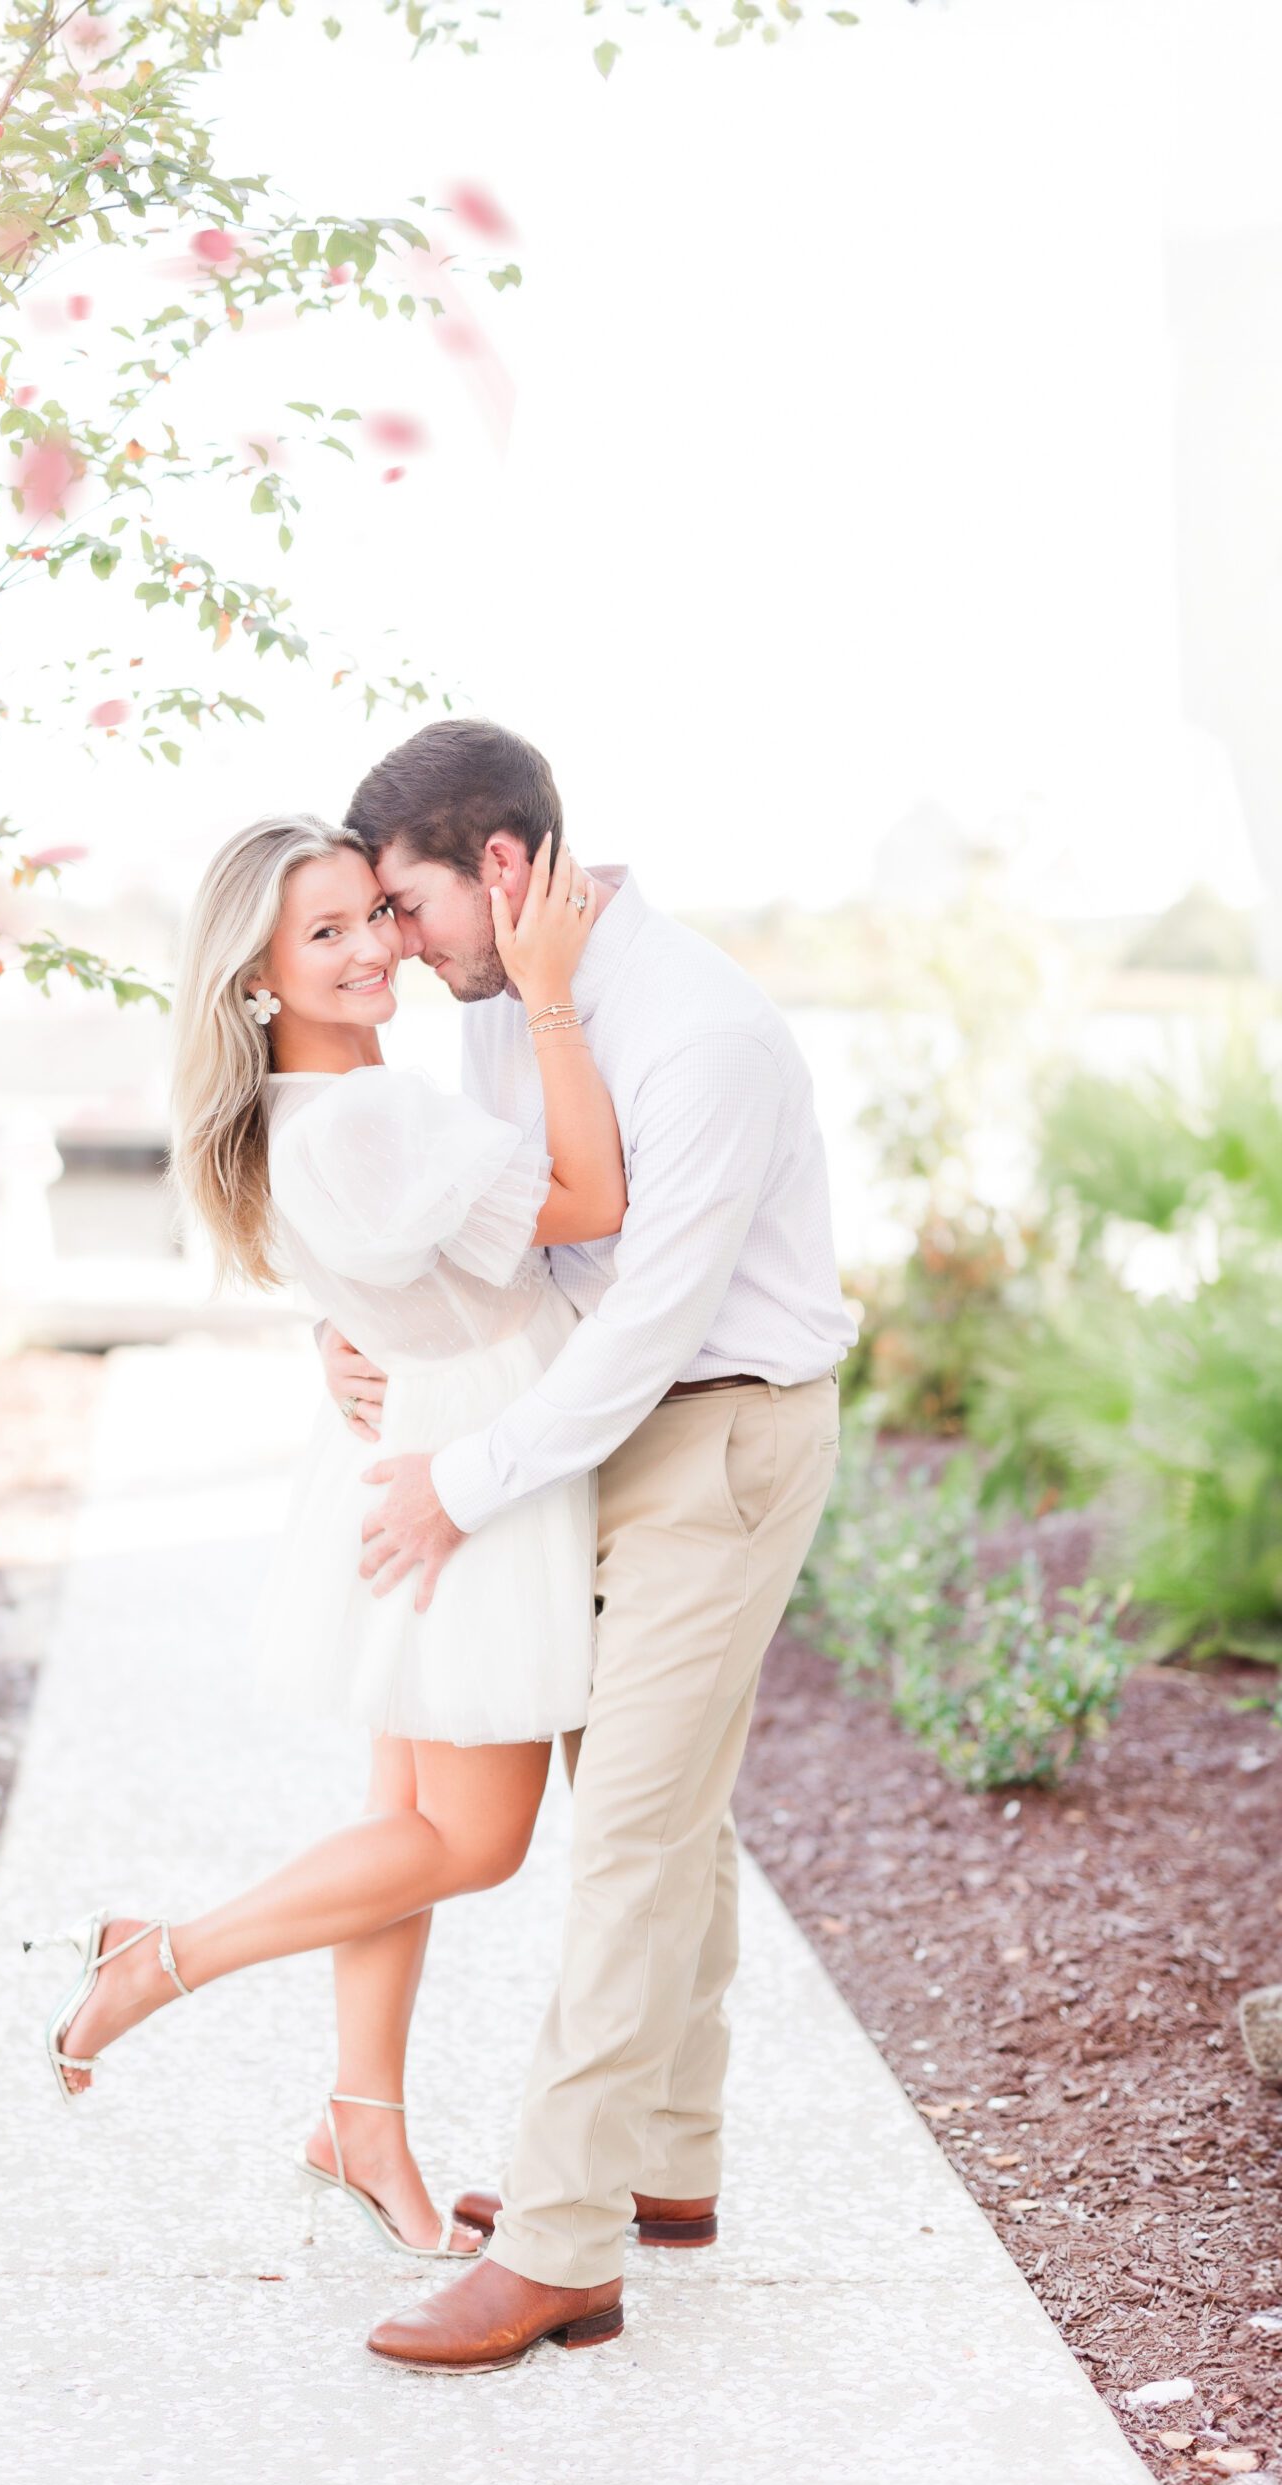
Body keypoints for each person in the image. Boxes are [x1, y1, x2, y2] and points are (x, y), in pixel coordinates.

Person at [319, 719, 858, 2370]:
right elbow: (544, 1239)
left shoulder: (701, 1035)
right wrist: (381, 1344)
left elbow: (647, 1329)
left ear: (500, 867)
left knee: (624, 1833)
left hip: (720, 1438)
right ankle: (665, 2165)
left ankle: (563, 2241)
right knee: (665, 1818)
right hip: (595, 1433)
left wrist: (458, 1481)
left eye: (404, 909)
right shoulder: (511, 1005)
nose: (396, 951)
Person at [25, 810, 625, 2265]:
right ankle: (161, 1958)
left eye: (374, 914)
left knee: (400, 1833)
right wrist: (548, 992)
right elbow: (595, 1202)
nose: (375, 951)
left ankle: (362, 2116)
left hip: (413, 1429)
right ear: (257, 976)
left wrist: (339, 1330)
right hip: (465, 1460)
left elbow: (381, 1264)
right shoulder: (370, 1110)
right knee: (468, 1844)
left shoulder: (308, 1112)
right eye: (328, 934)